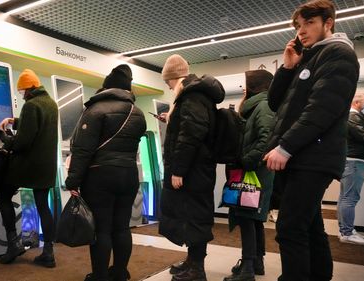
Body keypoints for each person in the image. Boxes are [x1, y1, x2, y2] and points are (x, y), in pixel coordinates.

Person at [263, 1, 360, 280]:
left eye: (309, 23)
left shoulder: (338, 53)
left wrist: (285, 146)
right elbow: (276, 104)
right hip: (304, 157)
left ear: (328, 23)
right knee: (310, 226)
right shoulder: (309, 58)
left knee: (290, 229)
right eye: (298, 26)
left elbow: (322, 109)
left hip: (312, 157)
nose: (301, 31)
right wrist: (288, 68)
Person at [65, 64, 146, 281]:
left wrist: (72, 181)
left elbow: (82, 150)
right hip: (129, 175)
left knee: (101, 229)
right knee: (121, 227)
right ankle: (120, 272)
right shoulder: (136, 112)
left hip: (100, 177)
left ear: (106, 87)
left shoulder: (95, 110)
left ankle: (99, 276)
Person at [159, 54, 225, 281]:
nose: (167, 86)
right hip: (198, 169)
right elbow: (190, 129)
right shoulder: (195, 96)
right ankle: (192, 262)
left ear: (174, 77)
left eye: (167, 81)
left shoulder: (191, 96)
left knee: (195, 218)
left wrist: (178, 170)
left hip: (193, 171)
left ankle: (197, 269)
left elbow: (191, 136)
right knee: (191, 216)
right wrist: (172, 118)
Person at [0, 69, 59, 266]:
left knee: (4, 194)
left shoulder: (31, 105)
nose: (22, 95)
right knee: (43, 206)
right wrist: (14, 121)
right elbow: (37, 125)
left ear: (29, 89)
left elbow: (23, 142)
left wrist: (6, 139)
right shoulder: (51, 104)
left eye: (22, 91)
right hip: (46, 166)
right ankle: (48, 251)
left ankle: (13, 244)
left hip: (28, 166)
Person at [224, 70, 275, 281]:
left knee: (247, 218)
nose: (243, 88)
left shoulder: (262, 106)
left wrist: (247, 160)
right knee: (253, 219)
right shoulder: (255, 106)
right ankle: (256, 263)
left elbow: (267, 138)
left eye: (246, 84)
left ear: (254, 86)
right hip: (254, 170)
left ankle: (247, 268)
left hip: (254, 171)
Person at [338, 93, 364, 245]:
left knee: (345, 198)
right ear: (357, 103)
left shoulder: (351, 117)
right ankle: (347, 232)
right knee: (349, 198)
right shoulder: (353, 117)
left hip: (350, 161)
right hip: (354, 162)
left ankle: (346, 230)